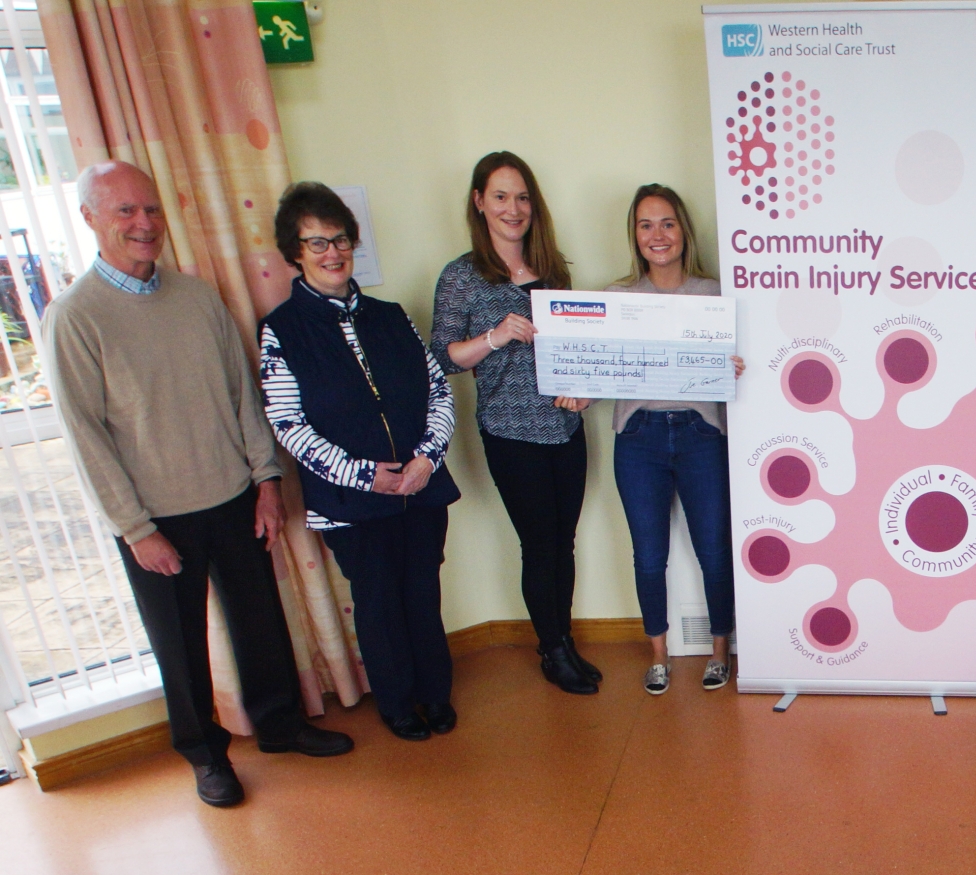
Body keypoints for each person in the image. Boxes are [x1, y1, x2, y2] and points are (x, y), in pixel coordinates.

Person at [45, 161, 354, 808]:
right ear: (90, 218)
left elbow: (242, 391)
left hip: (233, 494)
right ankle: (206, 756)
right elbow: (85, 436)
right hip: (156, 517)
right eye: (125, 210)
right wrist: (135, 529)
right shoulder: (74, 316)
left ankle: (280, 724)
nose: (144, 223)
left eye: (151, 209)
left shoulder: (196, 297)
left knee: (261, 622)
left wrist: (265, 479)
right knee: (181, 647)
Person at [259, 182, 461, 741]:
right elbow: (289, 425)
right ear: (295, 252)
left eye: (341, 239)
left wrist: (426, 460)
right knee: (377, 604)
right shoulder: (281, 330)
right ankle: (397, 704)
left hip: (421, 488)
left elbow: (438, 392)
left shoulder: (392, 316)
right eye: (317, 242)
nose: (333, 253)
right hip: (350, 502)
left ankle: (435, 694)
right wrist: (367, 476)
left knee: (422, 594)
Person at [430, 152, 599, 694]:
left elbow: (578, 348)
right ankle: (552, 650)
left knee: (564, 542)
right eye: (501, 196)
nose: (513, 208)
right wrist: (495, 336)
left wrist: (585, 388)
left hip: (566, 429)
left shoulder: (553, 270)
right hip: (510, 433)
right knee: (540, 545)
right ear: (479, 202)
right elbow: (441, 357)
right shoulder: (461, 276)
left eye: (522, 197)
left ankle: (564, 641)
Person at [602, 184, 744, 695]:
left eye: (667, 223)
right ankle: (659, 655)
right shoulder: (617, 298)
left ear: (684, 230)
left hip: (701, 433)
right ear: (634, 235)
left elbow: (741, 363)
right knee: (648, 555)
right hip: (637, 436)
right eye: (646, 225)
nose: (657, 235)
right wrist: (577, 387)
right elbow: (599, 367)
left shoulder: (715, 295)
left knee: (714, 550)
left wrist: (736, 365)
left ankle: (720, 650)